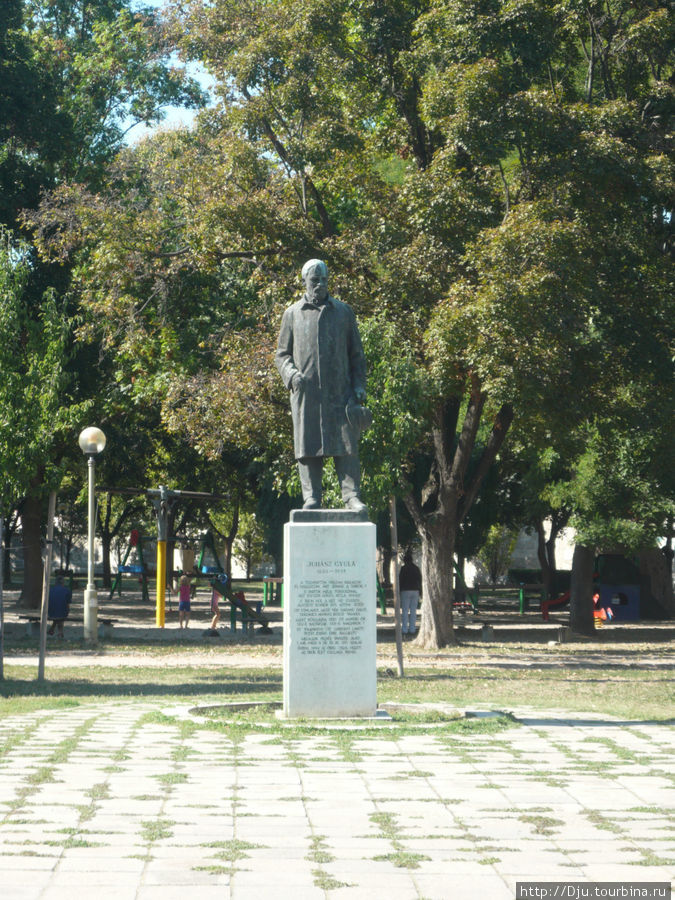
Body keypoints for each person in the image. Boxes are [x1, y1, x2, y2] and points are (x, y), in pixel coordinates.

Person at [275, 259, 371, 512]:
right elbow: (282, 354)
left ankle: (351, 496)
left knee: (346, 446)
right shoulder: (292, 314)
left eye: (324, 280)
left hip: (341, 393)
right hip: (307, 394)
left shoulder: (343, 312)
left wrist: (359, 386)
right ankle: (312, 497)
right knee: (307, 446)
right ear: (304, 281)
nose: (319, 284)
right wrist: (292, 375)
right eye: (314, 280)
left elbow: (357, 355)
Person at [399, 550, 422, 636]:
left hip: (405, 590)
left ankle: (404, 629)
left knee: (405, 611)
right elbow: (420, 580)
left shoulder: (403, 568)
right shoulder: (416, 568)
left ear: (405, 560)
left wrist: (398, 592)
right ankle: (412, 629)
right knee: (413, 611)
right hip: (415, 590)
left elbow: (400, 581)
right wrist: (421, 592)